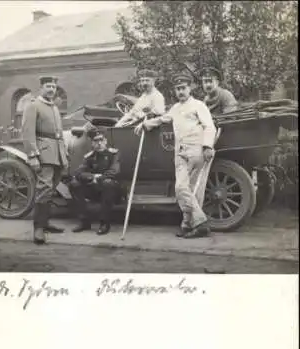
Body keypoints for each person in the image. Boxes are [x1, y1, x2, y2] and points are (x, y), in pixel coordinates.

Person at [135, 73, 217, 238]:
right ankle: (199, 223)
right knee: (181, 189)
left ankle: (188, 225)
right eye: (178, 89)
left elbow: (210, 126)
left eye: (183, 88)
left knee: (191, 191)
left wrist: (208, 146)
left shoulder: (198, 105)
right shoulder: (175, 108)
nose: (180, 92)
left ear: (189, 89)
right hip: (180, 153)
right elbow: (162, 120)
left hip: (196, 151)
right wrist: (145, 124)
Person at [22, 75, 68, 244]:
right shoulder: (33, 105)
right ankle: (38, 229)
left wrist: (64, 154)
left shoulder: (54, 107)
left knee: (51, 188)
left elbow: (59, 134)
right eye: (48, 86)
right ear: (41, 88)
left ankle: (45, 223)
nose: (51, 89)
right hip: (43, 152)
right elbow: (27, 132)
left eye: (54, 87)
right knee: (44, 188)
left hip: (57, 153)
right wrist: (33, 155)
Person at [68, 128, 122, 235]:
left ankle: (104, 223)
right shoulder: (90, 156)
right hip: (95, 189)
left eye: (101, 140)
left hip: (113, 191)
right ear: (92, 143)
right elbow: (78, 172)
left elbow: (114, 171)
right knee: (74, 184)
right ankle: (84, 222)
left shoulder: (114, 154)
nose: (99, 143)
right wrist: (92, 177)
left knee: (108, 183)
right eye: (96, 141)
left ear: (106, 141)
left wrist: (98, 178)